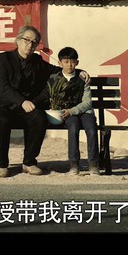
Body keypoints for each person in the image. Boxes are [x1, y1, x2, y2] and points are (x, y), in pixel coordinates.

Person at [0, 26, 88, 178]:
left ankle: (29, 162)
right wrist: (21, 101)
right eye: (27, 40)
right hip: (4, 104)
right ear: (18, 40)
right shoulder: (4, 58)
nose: (30, 45)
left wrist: (79, 71)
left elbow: (57, 70)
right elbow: (2, 85)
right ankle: (2, 164)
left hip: (28, 106)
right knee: (3, 121)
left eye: (34, 42)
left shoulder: (36, 60)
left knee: (39, 118)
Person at [34, 47, 99, 176]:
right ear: (60, 63)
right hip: (68, 115)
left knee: (91, 129)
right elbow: (46, 95)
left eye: (73, 61)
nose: (69, 65)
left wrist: (71, 111)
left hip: (84, 112)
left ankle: (93, 164)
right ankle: (74, 164)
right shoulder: (54, 79)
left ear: (77, 62)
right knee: (73, 127)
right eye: (66, 61)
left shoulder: (83, 79)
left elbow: (87, 103)